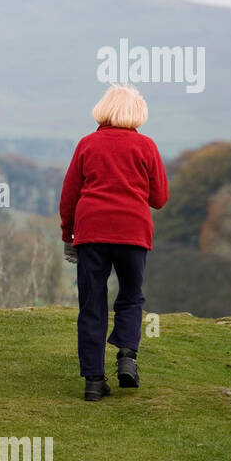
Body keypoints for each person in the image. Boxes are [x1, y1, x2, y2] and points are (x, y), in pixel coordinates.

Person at [59, 83, 169, 401]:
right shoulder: (146, 146)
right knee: (131, 297)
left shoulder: (87, 145)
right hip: (133, 233)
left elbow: (69, 196)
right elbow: (160, 198)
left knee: (92, 305)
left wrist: (69, 235)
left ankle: (94, 381)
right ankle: (127, 357)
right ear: (137, 113)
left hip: (91, 233)